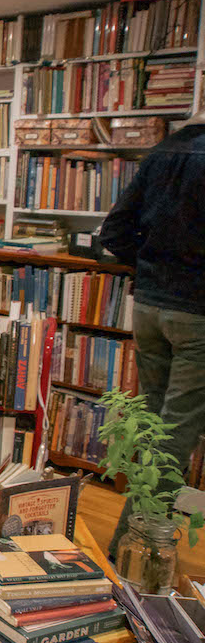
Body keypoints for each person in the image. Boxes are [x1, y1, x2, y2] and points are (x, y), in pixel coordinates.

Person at [99, 113, 205, 558]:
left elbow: (114, 232)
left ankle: (139, 546)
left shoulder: (163, 151)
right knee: (175, 437)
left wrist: (147, 267)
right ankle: (130, 549)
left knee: (154, 429)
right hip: (197, 314)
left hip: (148, 307)